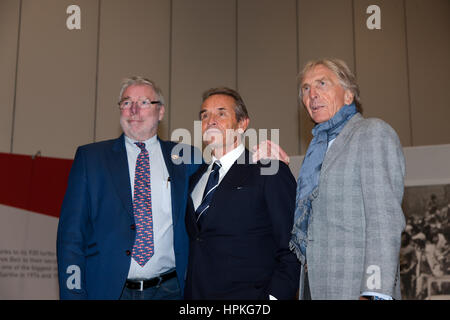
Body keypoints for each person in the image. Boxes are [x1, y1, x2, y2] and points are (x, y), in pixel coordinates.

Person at [57, 76, 202, 299]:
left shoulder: (186, 157)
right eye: (126, 102)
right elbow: (71, 236)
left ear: (160, 112)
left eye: (144, 102)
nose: (134, 109)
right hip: (109, 291)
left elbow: (222, 182)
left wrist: (264, 161)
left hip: (171, 291)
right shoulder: (91, 159)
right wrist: (72, 293)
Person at [289, 58, 406, 300]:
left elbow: (384, 221)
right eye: (306, 88)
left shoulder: (371, 133)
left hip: (354, 289)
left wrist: (374, 293)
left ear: (349, 95)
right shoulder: (316, 151)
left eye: (322, 83)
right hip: (314, 286)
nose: (312, 94)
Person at [184, 87, 300, 300]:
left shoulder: (268, 169)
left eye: (221, 113)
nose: (211, 120)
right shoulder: (194, 178)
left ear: (242, 124)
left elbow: (293, 246)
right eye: (205, 115)